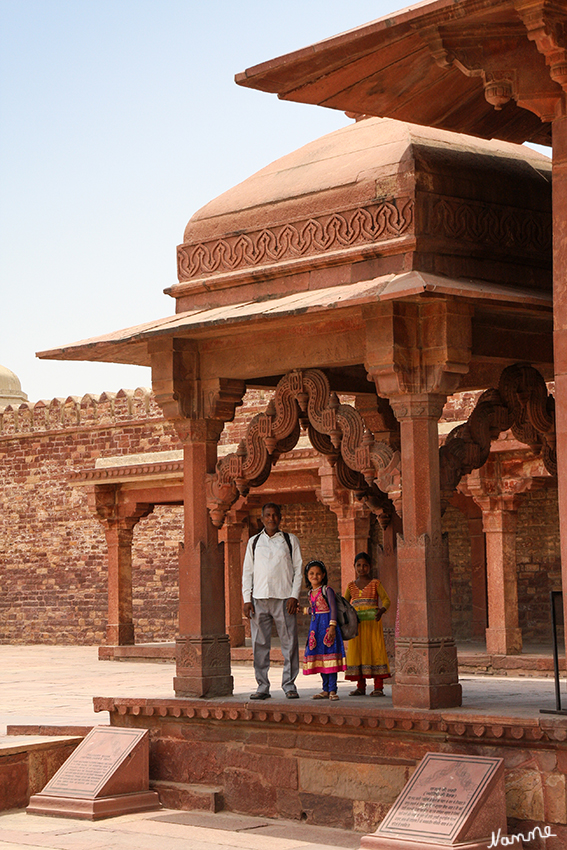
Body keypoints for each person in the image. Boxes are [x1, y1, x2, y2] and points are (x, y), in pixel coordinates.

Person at [242, 503, 303, 700]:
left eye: (275, 515)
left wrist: (294, 595)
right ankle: (262, 686)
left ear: (280, 517)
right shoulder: (254, 542)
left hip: (284, 598)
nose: (271, 518)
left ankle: (289, 684)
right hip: (259, 599)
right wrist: (246, 599)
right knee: (259, 644)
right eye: (267, 515)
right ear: (262, 518)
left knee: (290, 642)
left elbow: (298, 569)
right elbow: (247, 572)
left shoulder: (289, 540)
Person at [344, 551, 391, 696]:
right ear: (354, 567)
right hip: (357, 625)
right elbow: (344, 603)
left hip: (372, 624)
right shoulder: (351, 586)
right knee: (359, 651)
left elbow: (387, 600)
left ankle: (378, 687)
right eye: (358, 565)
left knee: (375, 651)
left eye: (365, 565)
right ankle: (361, 687)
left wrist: (381, 611)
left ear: (370, 567)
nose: (361, 568)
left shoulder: (376, 583)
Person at [302, 559, 346, 701]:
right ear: (307, 576)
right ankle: (325, 689)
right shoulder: (310, 593)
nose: (315, 576)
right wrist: (302, 610)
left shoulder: (327, 590)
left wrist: (332, 627)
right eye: (311, 573)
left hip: (327, 626)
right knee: (321, 659)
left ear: (323, 575)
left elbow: (333, 608)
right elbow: (315, 610)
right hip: (316, 628)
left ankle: (333, 689)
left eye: (318, 574)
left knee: (330, 658)